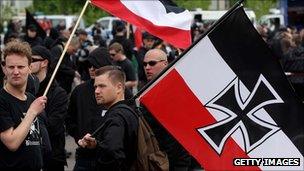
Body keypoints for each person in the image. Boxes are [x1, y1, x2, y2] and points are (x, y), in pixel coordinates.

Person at [78, 66, 138, 170]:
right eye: (95, 86)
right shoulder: (126, 111)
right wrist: (96, 146)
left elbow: (112, 156)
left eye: (102, 86)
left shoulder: (117, 117)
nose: (96, 91)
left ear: (119, 87)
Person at [0, 40, 47, 170]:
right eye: (11, 67)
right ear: (4, 69)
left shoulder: (32, 99)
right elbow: (12, 143)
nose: (16, 72)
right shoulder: (2, 100)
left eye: (20, 67)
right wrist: (32, 112)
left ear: (30, 68)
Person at [143, 49, 192, 171]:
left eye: (152, 63)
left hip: (173, 162)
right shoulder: (147, 88)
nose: (147, 67)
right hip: (155, 160)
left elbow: (177, 134)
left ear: (165, 63)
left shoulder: (174, 88)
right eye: (145, 64)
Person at [65, 47, 113, 171]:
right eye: (89, 65)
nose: (91, 68)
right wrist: (78, 137)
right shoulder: (79, 91)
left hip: (108, 159)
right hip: (83, 158)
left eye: (95, 65)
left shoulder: (118, 91)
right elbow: (70, 118)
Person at [30, 45, 68, 171]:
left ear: (44, 63)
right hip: (28, 156)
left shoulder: (58, 93)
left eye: (32, 60)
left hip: (52, 157)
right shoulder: (24, 89)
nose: (28, 63)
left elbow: (54, 126)